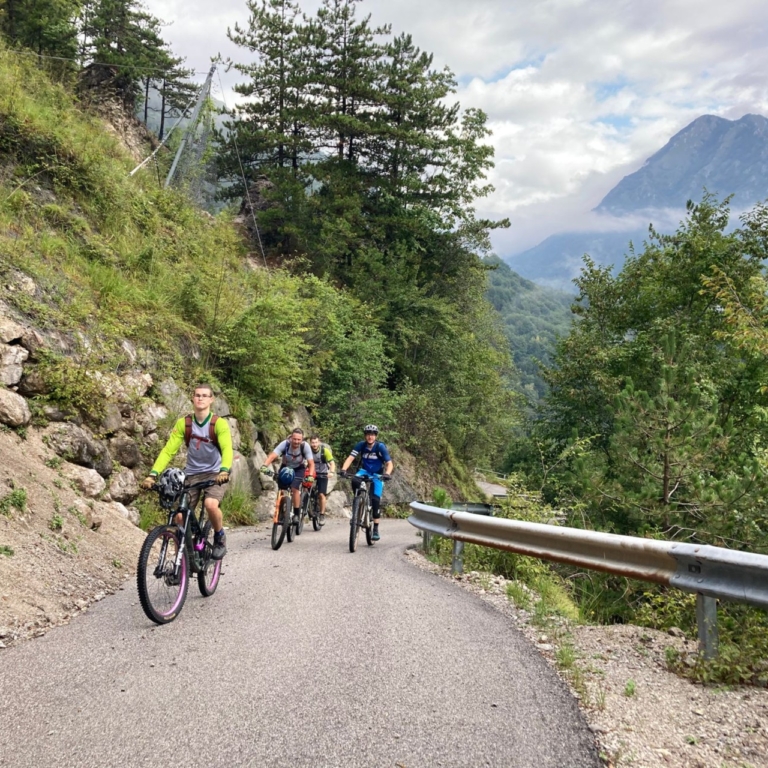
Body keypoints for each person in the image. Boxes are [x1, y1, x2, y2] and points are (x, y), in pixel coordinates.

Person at [141, 383, 232, 560]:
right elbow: (169, 450)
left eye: (205, 395)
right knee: (180, 516)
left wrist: (224, 470)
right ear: (192, 398)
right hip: (192, 474)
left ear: (211, 399)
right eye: (197, 395)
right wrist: (153, 474)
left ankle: (220, 536)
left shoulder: (218, 424)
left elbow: (227, 449)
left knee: (211, 505)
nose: (200, 398)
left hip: (216, 473)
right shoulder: (185, 423)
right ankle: (182, 560)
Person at [339, 424, 393, 541]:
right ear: (365, 436)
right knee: (354, 480)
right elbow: (350, 458)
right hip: (364, 471)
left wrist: (387, 473)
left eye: (372, 435)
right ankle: (358, 504)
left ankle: (375, 529)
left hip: (377, 474)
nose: (370, 437)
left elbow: (389, 463)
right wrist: (344, 469)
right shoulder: (361, 445)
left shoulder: (380, 447)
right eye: (368, 434)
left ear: (375, 436)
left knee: (375, 500)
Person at [262, 428, 315, 522]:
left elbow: (311, 463)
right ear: (291, 438)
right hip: (286, 467)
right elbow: (273, 455)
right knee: (282, 489)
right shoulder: (285, 444)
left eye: (299, 439)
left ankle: (296, 514)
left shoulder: (305, 446)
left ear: (302, 440)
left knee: (295, 488)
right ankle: (281, 508)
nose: (296, 441)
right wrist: (265, 465)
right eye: (294, 439)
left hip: (299, 469)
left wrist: (310, 475)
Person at [308, 433, 335, 521]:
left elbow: (332, 463)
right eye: (312, 442)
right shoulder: (307, 451)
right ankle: (306, 504)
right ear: (310, 443)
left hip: (322, 474)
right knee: (305, 490)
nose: (314, 444)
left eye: (316, 442)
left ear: (319, 442)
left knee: (321, 494)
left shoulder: (324, 451)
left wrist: (331, 472)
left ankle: (322, 514)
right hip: (311, 473)